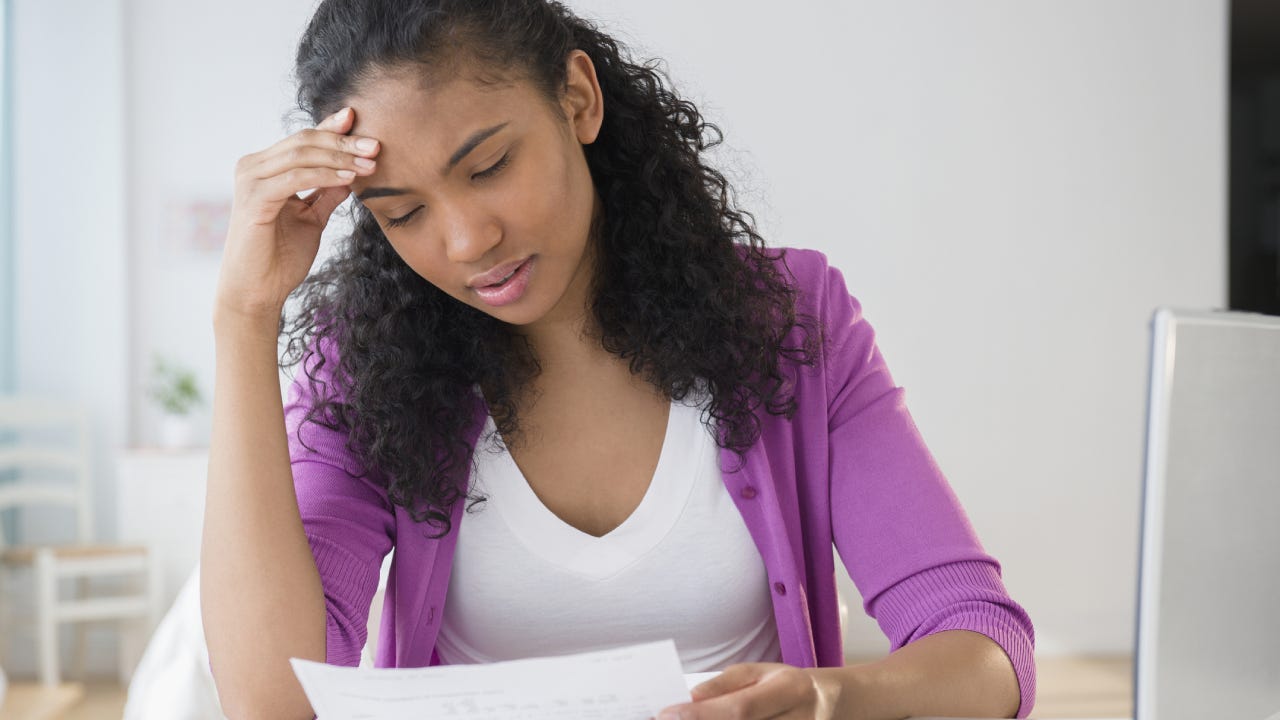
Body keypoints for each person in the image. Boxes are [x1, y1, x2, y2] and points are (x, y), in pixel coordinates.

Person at [201, 0, 1037, 718]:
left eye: (489, 166)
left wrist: (830, 698)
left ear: (578, 97)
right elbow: (278, 703)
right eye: (403, 212)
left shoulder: (790, 322)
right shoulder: (366, 373)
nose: (466, 242)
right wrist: (244, 317)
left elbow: (986, 651)